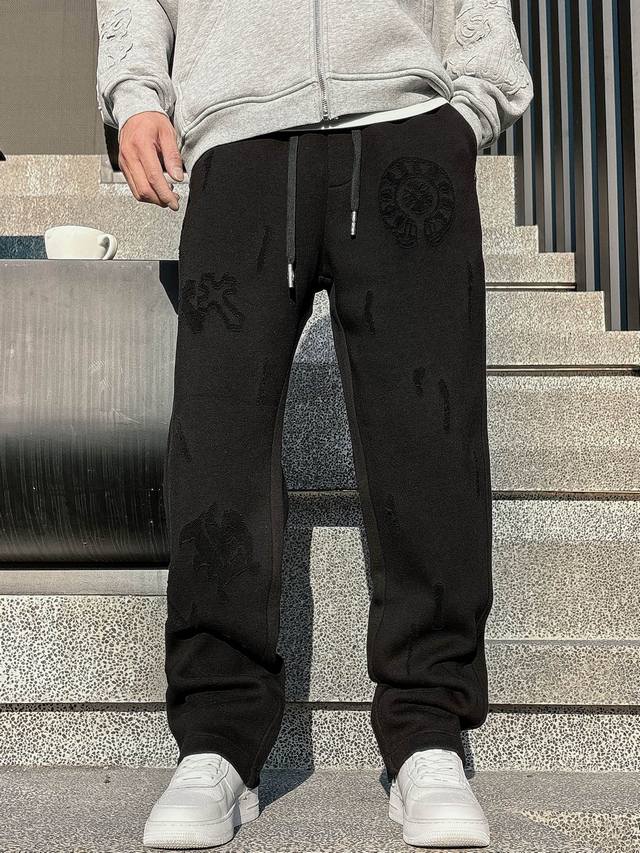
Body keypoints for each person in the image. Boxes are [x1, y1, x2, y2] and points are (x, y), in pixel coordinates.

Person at [96, 1, 534, 848]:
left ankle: (428, 733)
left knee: (430, 440)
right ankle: (218, 742)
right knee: (216, 442)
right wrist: (137, 92)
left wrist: (469, 106)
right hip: (238, 136)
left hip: (406, 130)